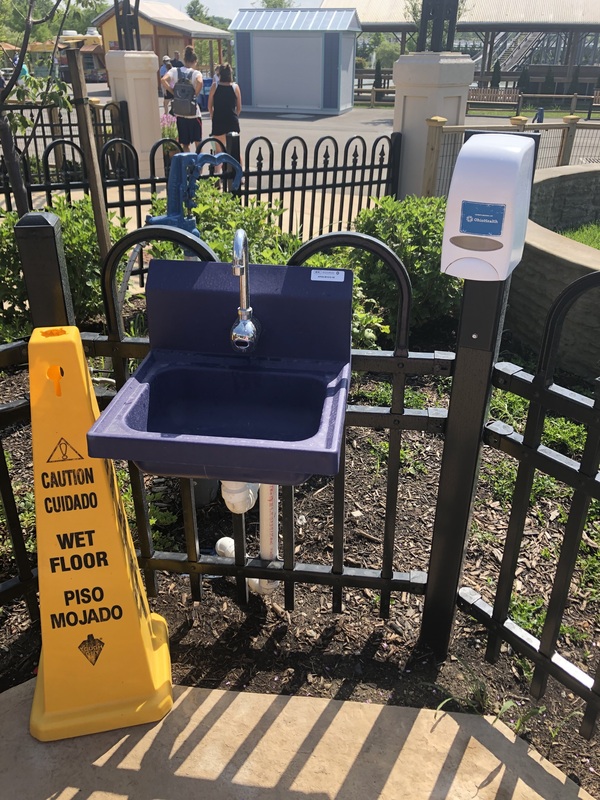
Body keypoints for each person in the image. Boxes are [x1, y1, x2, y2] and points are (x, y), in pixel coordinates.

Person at [161, 45, 203, 153]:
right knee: (198, 143)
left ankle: (187, 166)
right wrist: (195, 94)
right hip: (193, 113)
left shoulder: (175, 71)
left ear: (184, 60)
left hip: (180, 113)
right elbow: (200, 82)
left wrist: (173, 92)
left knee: (185, 144)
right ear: (195, 61)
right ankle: (199, 168)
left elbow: (163, 80)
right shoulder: (196, 73)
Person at [207, 62, 241, 167]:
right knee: (235, 151)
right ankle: (239, 175)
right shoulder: (235, 87)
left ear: (220, 75)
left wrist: (213, 116)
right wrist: (235, 116)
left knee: (218, 151)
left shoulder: (215, 86)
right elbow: (239, 107)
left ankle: (218, 176)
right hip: (232, 120)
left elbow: (209, 106)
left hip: (219, 120)